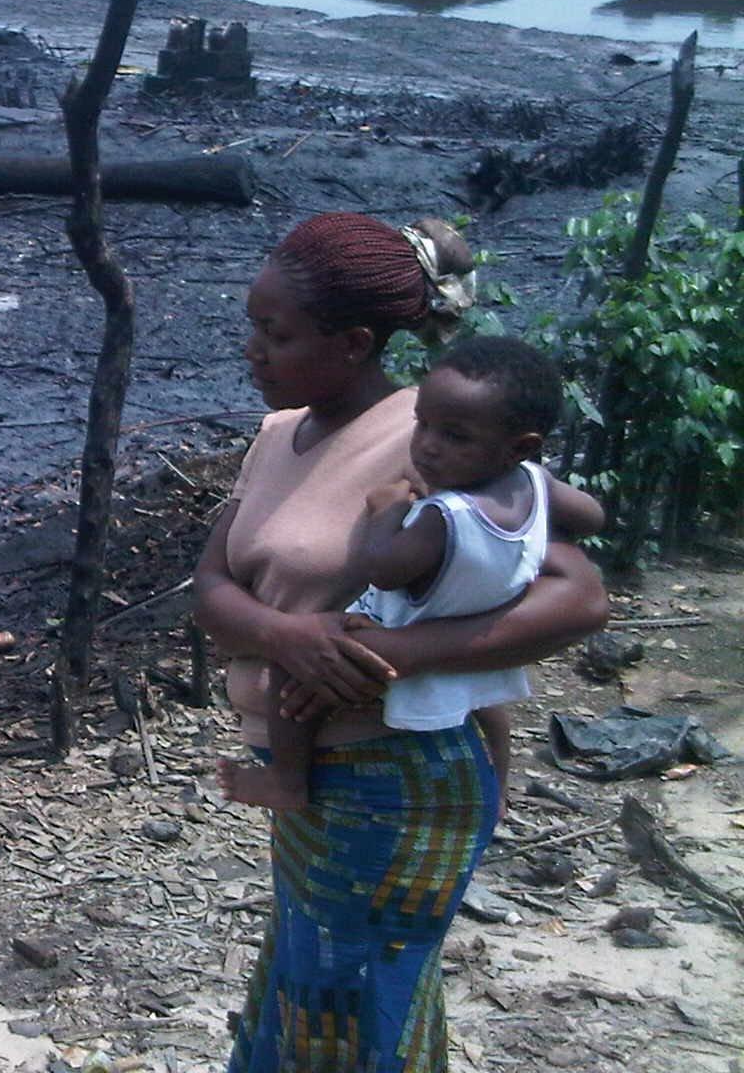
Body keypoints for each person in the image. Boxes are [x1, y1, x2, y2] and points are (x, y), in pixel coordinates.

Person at [192, 211, 608, 1073]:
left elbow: (580, 594)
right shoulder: (279, 435)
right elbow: (212, 587)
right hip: (307, 765)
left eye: (275, 333)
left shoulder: (438, 438)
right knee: (312, 985)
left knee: (352, 997)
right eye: (252, 328)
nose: (253, 351)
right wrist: (289, 634)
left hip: (396, 769)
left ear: (353, 342)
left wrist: (406, 652)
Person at [216, 334, 606, 816]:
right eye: (422, 425)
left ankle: (287, 781)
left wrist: (385, 510)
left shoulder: (444, 517)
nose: (426, 447)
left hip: (398, 625)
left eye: (454, 437)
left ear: (518, 447)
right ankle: (497, 783)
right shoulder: (534, 483)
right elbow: (591, 517)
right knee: (485, 706)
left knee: (293, 671)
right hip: (474, 616)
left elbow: (384, 569)